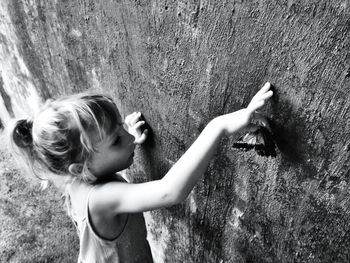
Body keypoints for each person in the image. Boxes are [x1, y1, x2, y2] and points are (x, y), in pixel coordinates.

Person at [8, 82, 273, 262]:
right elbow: (170, 191)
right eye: (115, 140)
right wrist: (219, 126)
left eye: (121, 125)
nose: (128, 136)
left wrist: (122, 138)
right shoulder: (101, 199)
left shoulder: (73, 177)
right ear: (82, 168)